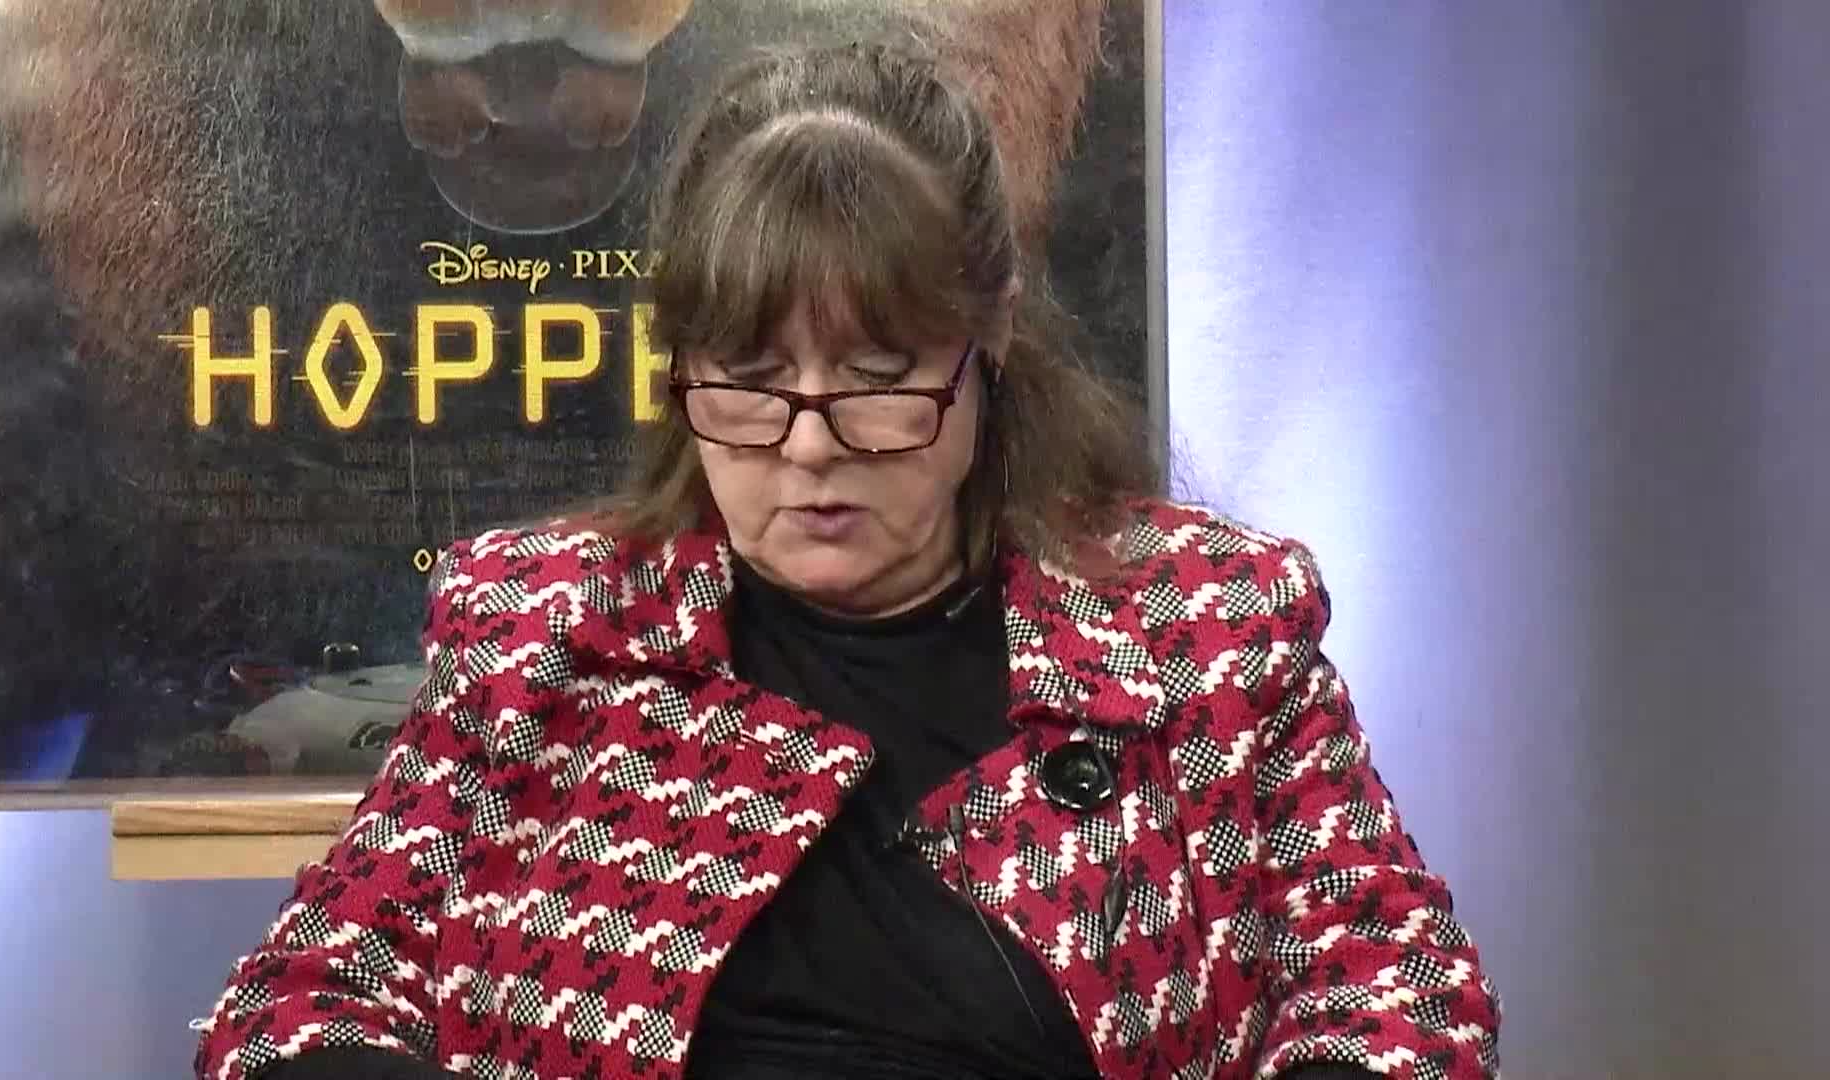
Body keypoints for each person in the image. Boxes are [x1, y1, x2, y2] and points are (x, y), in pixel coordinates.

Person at [194, 41, 1500, 1080]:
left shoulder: (1201, 631)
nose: (809, 449)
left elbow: (1400, 994)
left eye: (878, 381)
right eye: (751, 382)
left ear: (989, 337)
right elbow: (299, 1003)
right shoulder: (540, 633)